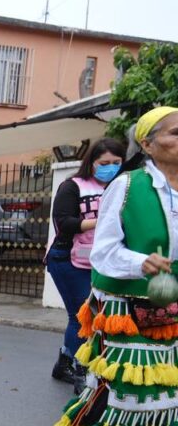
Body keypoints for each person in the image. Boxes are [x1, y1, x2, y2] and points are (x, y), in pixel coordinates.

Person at [47, 106, 178, 426]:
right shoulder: (127, 185)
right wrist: (143, 263)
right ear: (149, 145)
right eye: (174, 132)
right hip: (125, 303)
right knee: (126, 386)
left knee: (168, 387)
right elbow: (103, 251)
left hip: (171, 303)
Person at [45, 138, 126, 394]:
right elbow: (63, 222)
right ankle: (80, 369)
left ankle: (64, 362)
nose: (110, 168)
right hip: (68, 259)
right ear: (91, 163)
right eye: (104, 163)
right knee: (82, 317)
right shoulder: (73, 186)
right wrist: (103, 219)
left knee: (99, 315)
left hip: (104, 262)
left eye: (116, 163)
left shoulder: (123, 186)